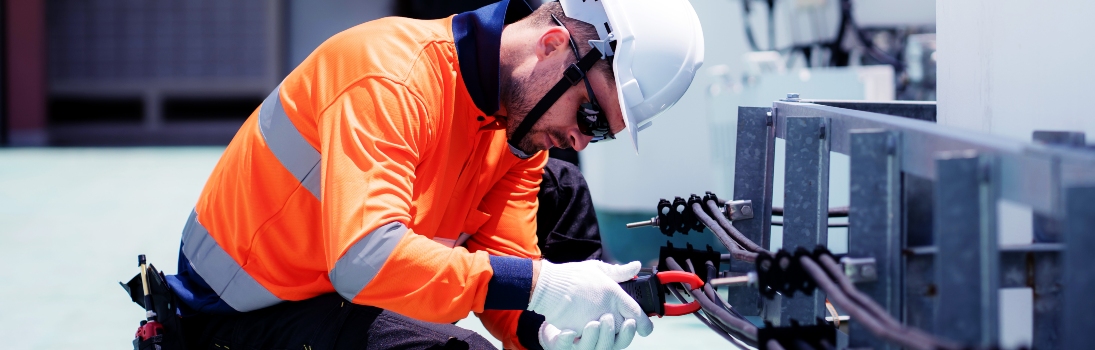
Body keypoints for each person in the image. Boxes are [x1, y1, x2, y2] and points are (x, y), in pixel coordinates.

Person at [166, 0, 704, 349]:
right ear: (554, 46)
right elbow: (365, 260)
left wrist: (548, 334)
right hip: (239, 315)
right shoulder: (389, 75)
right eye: (591, 115)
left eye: (603, 133)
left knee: (563, 190)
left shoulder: (516, 133)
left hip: (336, 291)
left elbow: (508, 271)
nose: (584, 139)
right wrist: (543, 285)